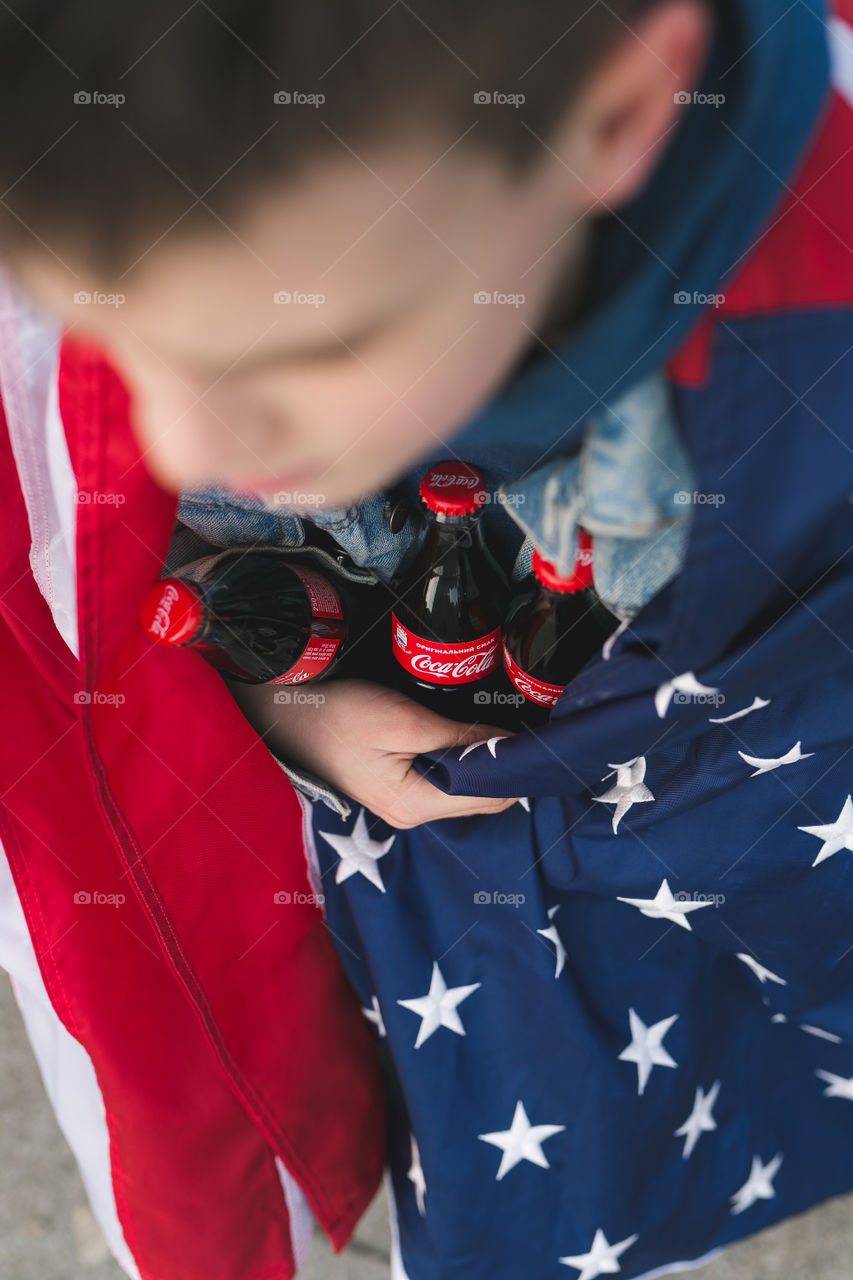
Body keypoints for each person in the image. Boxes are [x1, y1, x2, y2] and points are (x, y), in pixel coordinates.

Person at [0, 1, 851, 1277]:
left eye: (311, 347)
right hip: (466, 946)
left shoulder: (807, 347)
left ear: (617, 115)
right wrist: (282, 696)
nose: (175, 442)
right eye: (108, 334)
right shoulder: (144, 168)